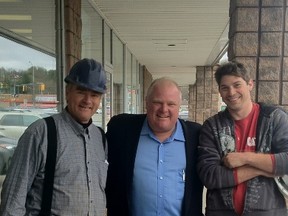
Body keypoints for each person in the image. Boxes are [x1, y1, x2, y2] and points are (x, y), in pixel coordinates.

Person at [0, 58, 108, 215]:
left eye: (95, 94)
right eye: (81, 91)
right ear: (67, 92)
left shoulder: (100, 138)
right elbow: (12, 201)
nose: (88, 100)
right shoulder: (40, 133)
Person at [197, 61, 288, 216]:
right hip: (220, 212)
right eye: (224, 87)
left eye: (237, 85)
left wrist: (245, 158)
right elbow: (209, 176)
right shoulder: (212, 126)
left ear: (250, 84)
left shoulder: (273, 118)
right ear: (219, 91)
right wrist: (262, 169)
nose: (231, 92)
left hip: (269, 212)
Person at [105, 77, 204, 216]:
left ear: (179, 106)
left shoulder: (196, 136)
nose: (164, 109)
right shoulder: (122, 130)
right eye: (157, 102)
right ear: (146, 103)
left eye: (171, 104)